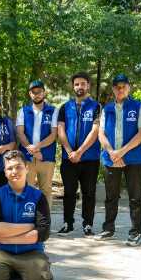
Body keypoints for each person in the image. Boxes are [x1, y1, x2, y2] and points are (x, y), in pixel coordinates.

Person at [0, 150, 53, 280]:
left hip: (31, 252)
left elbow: (43, 233)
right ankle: (15, 270)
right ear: (5, 172)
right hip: (2, 251)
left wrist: (7, 238)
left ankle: (25, 270)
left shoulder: (38, 196)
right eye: (10, 168)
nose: (14, 171)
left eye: (18, 167)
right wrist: (30, 226)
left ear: (27, 168)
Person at [97, 74, 141, 245]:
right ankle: (108, 228)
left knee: (135, 197)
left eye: (123, 86)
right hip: (111, 158)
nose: (120, 89)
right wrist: (112, 152)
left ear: (129, 88)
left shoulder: (139, 106)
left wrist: (122, 152)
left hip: (133, 160)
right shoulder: (107, 109)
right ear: (113, 89)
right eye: (117, 87)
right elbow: (101, 133)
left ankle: (135, 232)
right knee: (111, 196)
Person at [56, 72, 102, 236]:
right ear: (73, 86)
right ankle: (68, 223)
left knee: (89, 192)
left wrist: (80, 151)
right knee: (69, 192)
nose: (80, 87)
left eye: (83, 84)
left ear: (88, 85)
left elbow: (95, 131)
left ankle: (87, 224)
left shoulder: (96, 106)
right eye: (77, 84)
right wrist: (70, 151)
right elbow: (60, 129)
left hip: (90, 158)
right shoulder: (64, 107)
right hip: (69, 158)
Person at [16, 80, 58, 206]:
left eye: (39, 91)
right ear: (30, 94)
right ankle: (27, 222)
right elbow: (20, 133)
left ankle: (45, 223)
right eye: (33, 92)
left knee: (46, 191)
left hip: (46, 158)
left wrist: (38, 148)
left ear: (44, 92)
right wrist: (32, 150)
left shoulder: (53, 111)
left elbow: (53, 135)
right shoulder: (23, 111)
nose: (36, 94)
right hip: (27, 158)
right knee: (27, 190)